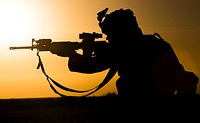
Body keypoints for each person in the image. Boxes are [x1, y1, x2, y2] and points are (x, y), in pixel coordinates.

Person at [50, 8, 198, 100]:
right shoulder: (158, 43)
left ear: (120, 32)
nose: (108, 39)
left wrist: (73, 53)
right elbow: (183, 76)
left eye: (110, 34)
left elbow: (87, 67)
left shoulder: (125, 49)